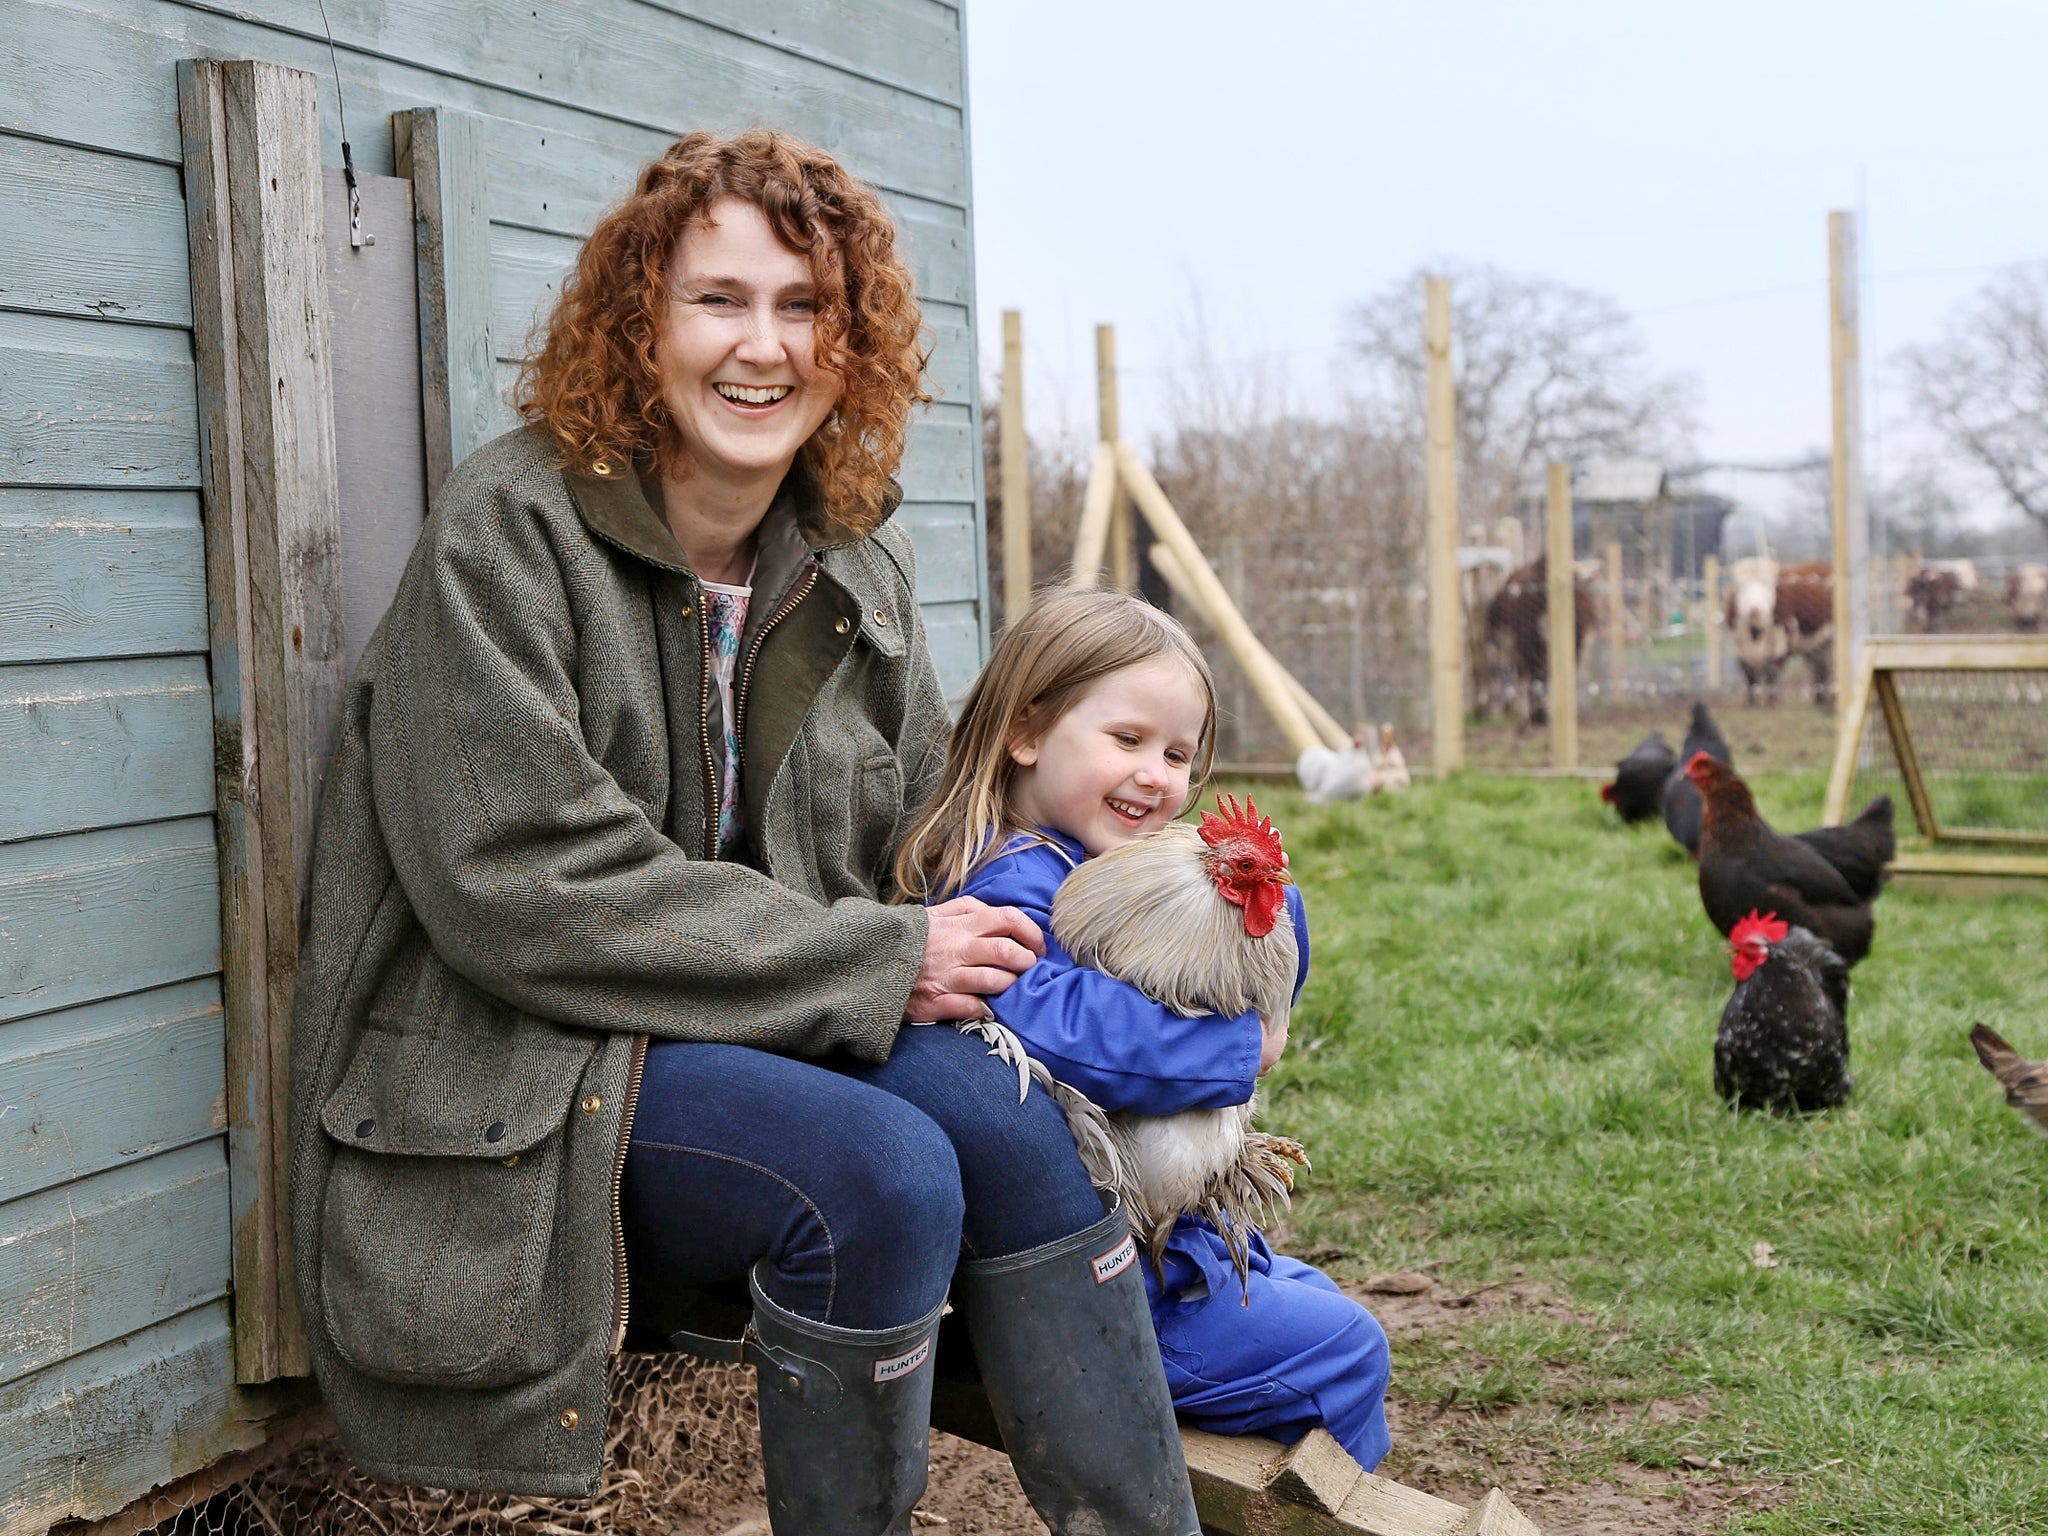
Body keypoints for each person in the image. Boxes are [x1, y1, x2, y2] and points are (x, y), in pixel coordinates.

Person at [287, 131, 1202, 1536]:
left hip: (761, 1017)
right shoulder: (506, 535)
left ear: (852, 346)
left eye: (803, 308)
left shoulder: (847, 557)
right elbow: (522, 886)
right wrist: (872, 961)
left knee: (1021, 1135)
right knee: (878, 1176)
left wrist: (1155, 930)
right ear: (638, 322)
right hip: (531, 1056)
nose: (760, 347)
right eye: (719, 299)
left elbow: (921, 846)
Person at [893, 586, 1393, 1469]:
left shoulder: (1082, 864)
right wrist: (1237, 1047)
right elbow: (1051, 1022)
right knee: (1344, 1351)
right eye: (1127, 741)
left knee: (1310, 1298)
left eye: (1177, 754)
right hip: (1085, 1283)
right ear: (1028, 731)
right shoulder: (1005, 883)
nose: (1157, 776)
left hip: (1133, 1246)